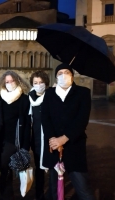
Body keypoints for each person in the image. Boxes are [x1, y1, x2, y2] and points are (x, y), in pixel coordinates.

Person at [41, 63, 95, 200]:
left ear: (72, 76)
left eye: (67, 72)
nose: (63, 75)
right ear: (56, 77)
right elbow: (45, 119)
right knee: (54, 188)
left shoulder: (83, 92)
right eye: (60, 73)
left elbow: (82, 120)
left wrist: (64, 138)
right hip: (53, 147)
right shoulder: (49, 93)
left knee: (83, 188)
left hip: (74, 146)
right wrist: (54, 140)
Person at [0, 70, 31, 200]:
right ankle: (7, 195)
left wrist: (25, 146)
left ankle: (4, 195)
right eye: (7, 82)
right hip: (0, 139)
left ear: (17, 81)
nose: (10, 83)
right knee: (5, 171)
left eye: (12, 81)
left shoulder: (24, 99)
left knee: (3, 168)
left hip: (14, 140)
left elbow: (27, 124)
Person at [28, 71, 50, 200]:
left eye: (41, 82)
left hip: (49, 139)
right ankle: (39, 195)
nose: (38, 85)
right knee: (39, 170)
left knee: (53, 169)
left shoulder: (51, 96)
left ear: (46, 83)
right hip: (36, 139)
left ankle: (54, 193)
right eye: (35, 83)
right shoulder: (29, 98)